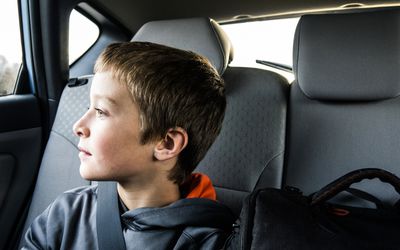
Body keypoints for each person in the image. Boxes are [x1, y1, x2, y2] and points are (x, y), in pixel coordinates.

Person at [22, 42, 234, 249]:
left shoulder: (208, 242)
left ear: (166, 143)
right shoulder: (65, 214)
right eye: (89, 108)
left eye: (101, 112)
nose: (78, 126)